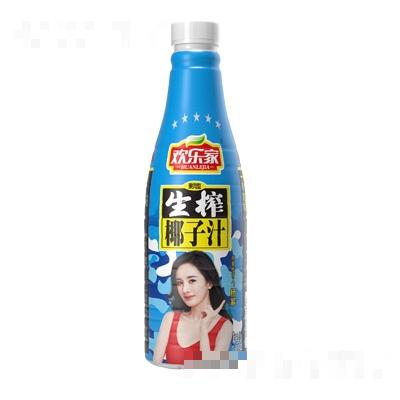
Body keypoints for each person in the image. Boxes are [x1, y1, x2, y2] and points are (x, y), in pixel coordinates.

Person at [153, 251, 233, 365]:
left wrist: (204, 329)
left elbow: (213, 369)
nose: (185, 289)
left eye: (192, 281)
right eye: (180, 283)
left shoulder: (224, 326)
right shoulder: (170, 319)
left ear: (209, 282)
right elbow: (156, 365)